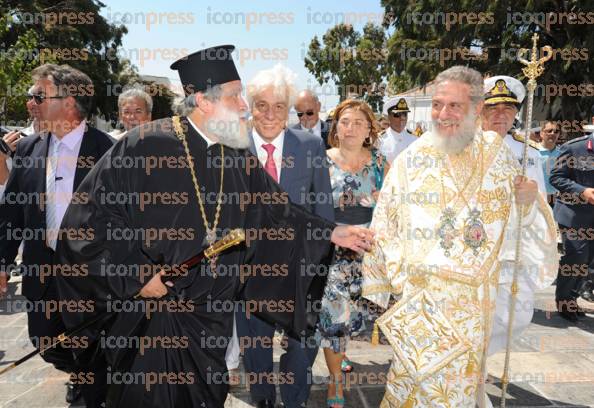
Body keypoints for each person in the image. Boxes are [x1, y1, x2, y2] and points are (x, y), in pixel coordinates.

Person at [53, 45, 373, 408]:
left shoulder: (234, 153)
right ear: (204, 101)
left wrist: (330, 232)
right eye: (236, 96)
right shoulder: (143, 145)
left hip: (212, 315)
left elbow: (274, 208)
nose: (244, 107)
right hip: (156, 315)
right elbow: (87, 222)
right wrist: (138, 276)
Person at [361, 66, 558, 407]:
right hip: (420, 301)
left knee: (458, 393)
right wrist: (389, 281)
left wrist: (527, 203)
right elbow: (386, 220)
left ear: (475, 109)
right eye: (437, 104)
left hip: (471, 306)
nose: (443, 114)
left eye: (454, 106)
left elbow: (517, 223)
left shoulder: (497, 154)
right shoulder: (412, 159)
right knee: (410, 387)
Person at [0, 64, 114, 406]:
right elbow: (13, 215)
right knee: (45, 341)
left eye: (39, 95)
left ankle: (90, 392)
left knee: (91, 348)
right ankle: (84, 379)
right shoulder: (30, 148)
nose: (30, 102)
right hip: (41, 272)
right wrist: (2, 262)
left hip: (89, 277)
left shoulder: (108, 152)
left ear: (69, 103)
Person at [236, 64, 334, 408]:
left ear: (289, 109)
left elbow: (323, 210)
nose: (269, 114)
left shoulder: (310, 146)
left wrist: (319, 267)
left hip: (299, 269)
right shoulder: (229, 149)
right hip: (248, 273)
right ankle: (262, 399)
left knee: (300, 346)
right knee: (255, 347)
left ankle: (295, 401)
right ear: (249, 105)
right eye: (261, 104)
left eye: (279, 106)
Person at [319, 99, 389, 408]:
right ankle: (335, 381)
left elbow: (394, 207)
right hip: (331, 253)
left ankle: (342, 353)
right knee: (334, 318)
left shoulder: (379, 163)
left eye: (358, 122)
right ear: (336, 126)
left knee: (357, 317)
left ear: (369, 129)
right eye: (345, 121)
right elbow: (310, 209)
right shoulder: (320, 161)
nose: (351, 128)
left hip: (368, 254)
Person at [550, 128, 594, 319]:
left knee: (589, 260)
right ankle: (564, 301)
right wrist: (581, 191)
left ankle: (573, 297)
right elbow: (556, 177)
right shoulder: (574, 148)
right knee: (576, 256)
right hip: (574, 214)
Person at [481, 75, 546, 193]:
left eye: (508, 108)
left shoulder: (528, 151)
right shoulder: (462, 147)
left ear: (516, 112)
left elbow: (540, 200)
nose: (501, 114)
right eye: (493, 108)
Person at [377, 97, 416, 164]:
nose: (402, 118)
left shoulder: (415, 140)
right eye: (397, 115)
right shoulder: (379, 140)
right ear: (389, 117)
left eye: (405, 114)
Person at [539, 120, 562, 203]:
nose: (553, 133)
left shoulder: (563, 154)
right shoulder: (532, 152)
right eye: (549, 131)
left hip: (557, 201)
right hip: (537, 200)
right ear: (541, 133)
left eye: (556, 131)